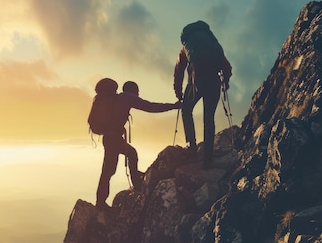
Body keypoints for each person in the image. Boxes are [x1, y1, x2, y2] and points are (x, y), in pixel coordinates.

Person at [96, 81, 181, 210]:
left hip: (111, 138)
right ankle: (102, 201)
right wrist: (173, 106)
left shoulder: (119, 98)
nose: (138, 94)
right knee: (110, 169)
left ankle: (131, 184)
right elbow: (150, 106)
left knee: (125, 158)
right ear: (132, 91)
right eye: (137, 92)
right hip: (113, 139)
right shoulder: (127, 97)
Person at [174, 20, 232, 168]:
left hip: (196, 83)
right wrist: (225, 82)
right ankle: (207, 158)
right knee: (209, 119)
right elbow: (227, 66)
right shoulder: (212, 45)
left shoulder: (186, 48)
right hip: (213, 83)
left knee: (186, 110)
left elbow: (179, 71)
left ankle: (192, 146)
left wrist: (178, 91)